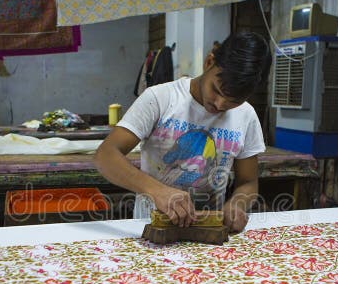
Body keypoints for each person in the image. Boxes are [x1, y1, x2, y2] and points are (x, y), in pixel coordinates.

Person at [94, 31, 272, 233]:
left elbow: (248, 182)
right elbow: (105, 156)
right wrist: (156, 191)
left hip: (209, 231)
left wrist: (238, 204)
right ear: (209, 62)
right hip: (153, 227)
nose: (219, 104)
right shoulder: (161, 98)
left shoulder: (246, 115)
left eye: (233, 102)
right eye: (217, 90)